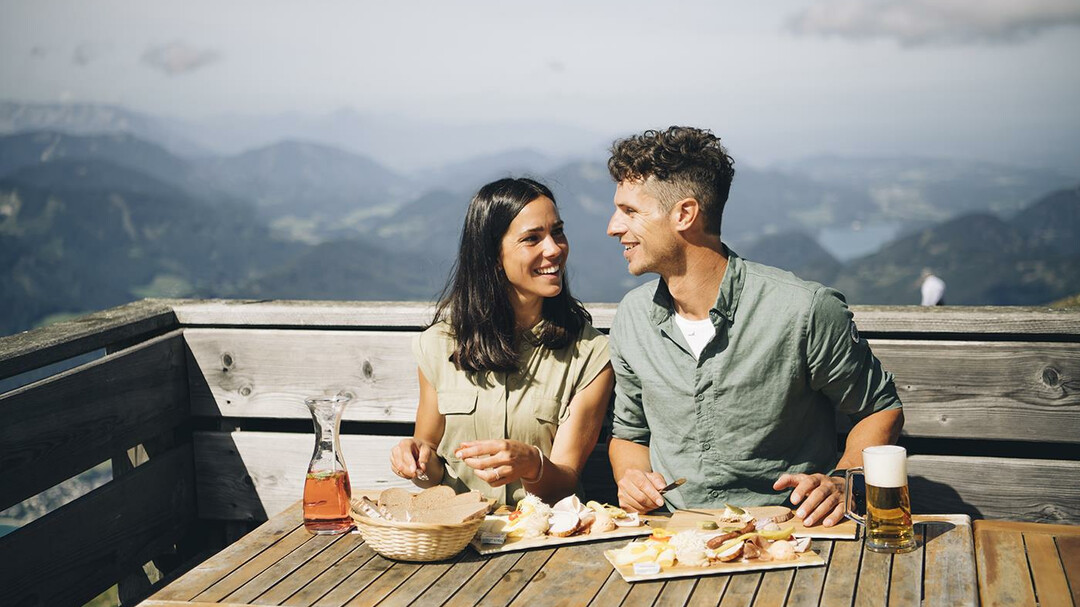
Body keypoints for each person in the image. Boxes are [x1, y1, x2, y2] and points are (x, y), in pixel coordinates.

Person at [605, 127, 904, 527]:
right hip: (673, 537)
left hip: (789, 535)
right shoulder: (632, 317)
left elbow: (880, 410)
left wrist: (842, 481)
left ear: (684, 214)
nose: (613, 227)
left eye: (630, 211)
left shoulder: (803, 310)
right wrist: (631, 477)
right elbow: (629, 434)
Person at [389, 177, 614, 506]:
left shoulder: (590, 355)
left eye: (558, 232)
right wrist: (415, 462)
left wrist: (532, 465)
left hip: (543, 540)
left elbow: (565, 484)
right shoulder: (438, 346)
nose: (554, 249)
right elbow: (431, 471)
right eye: (532, 239)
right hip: (459, 538)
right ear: (494, 256)